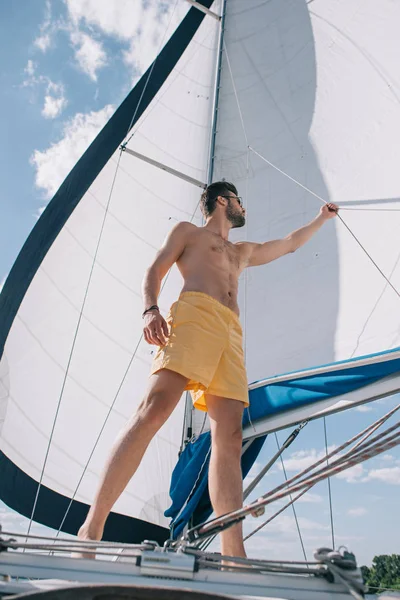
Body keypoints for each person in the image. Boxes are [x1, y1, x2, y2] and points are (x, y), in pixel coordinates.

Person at [77, 181, 338, 559]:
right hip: (195, 314)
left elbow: (289, 243)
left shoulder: (241, 251)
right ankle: (91, 530)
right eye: (239, 200)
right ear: (221, 201)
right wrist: (150, 309)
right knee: (155, 410)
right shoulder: (189, 232)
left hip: (230, 333)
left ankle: (235, 556)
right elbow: (155, 268)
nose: (243, 208)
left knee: (229, 438)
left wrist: (321, 218)